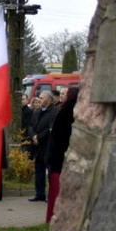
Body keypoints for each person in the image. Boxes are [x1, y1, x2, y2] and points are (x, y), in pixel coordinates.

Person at [46, 87, 78, 223]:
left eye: (65, 94)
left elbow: (58, 137)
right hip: (63, 158)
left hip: (59, 160)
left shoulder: (65, 111)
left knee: (56, 191)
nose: (61, 96)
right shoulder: (70, 111)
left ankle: (53, 217)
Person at [29, 91, 56, 202]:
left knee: (49, 172)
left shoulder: (54, 112)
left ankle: (51, 195)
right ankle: (39, 193)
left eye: (41, 98)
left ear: (49, 100)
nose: (39, 99)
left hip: (47, 146)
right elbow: (30, 126)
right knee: (39, 171)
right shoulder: (37, 112)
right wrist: (33, 136)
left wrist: (38, 138)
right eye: (39, 97)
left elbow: (50, 129)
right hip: (37, 147)